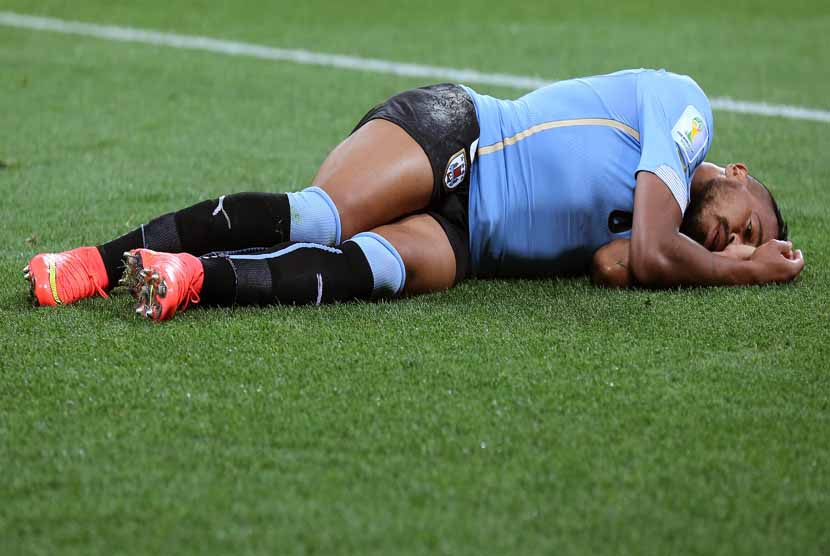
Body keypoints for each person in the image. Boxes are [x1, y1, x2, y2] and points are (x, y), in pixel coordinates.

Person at [23, 69, 805, 321]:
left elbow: (613, 263)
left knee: (372, 270)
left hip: (469, 243)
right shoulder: (688, 111)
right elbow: (645, 253)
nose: (735, 241)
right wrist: (754, 271)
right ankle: (96, 261)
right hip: (457, 137)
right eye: (749, 228)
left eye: (744, 248)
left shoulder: (659, 222)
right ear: (735, 173)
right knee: (320, 216)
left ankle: (191, 278)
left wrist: (672, 261)